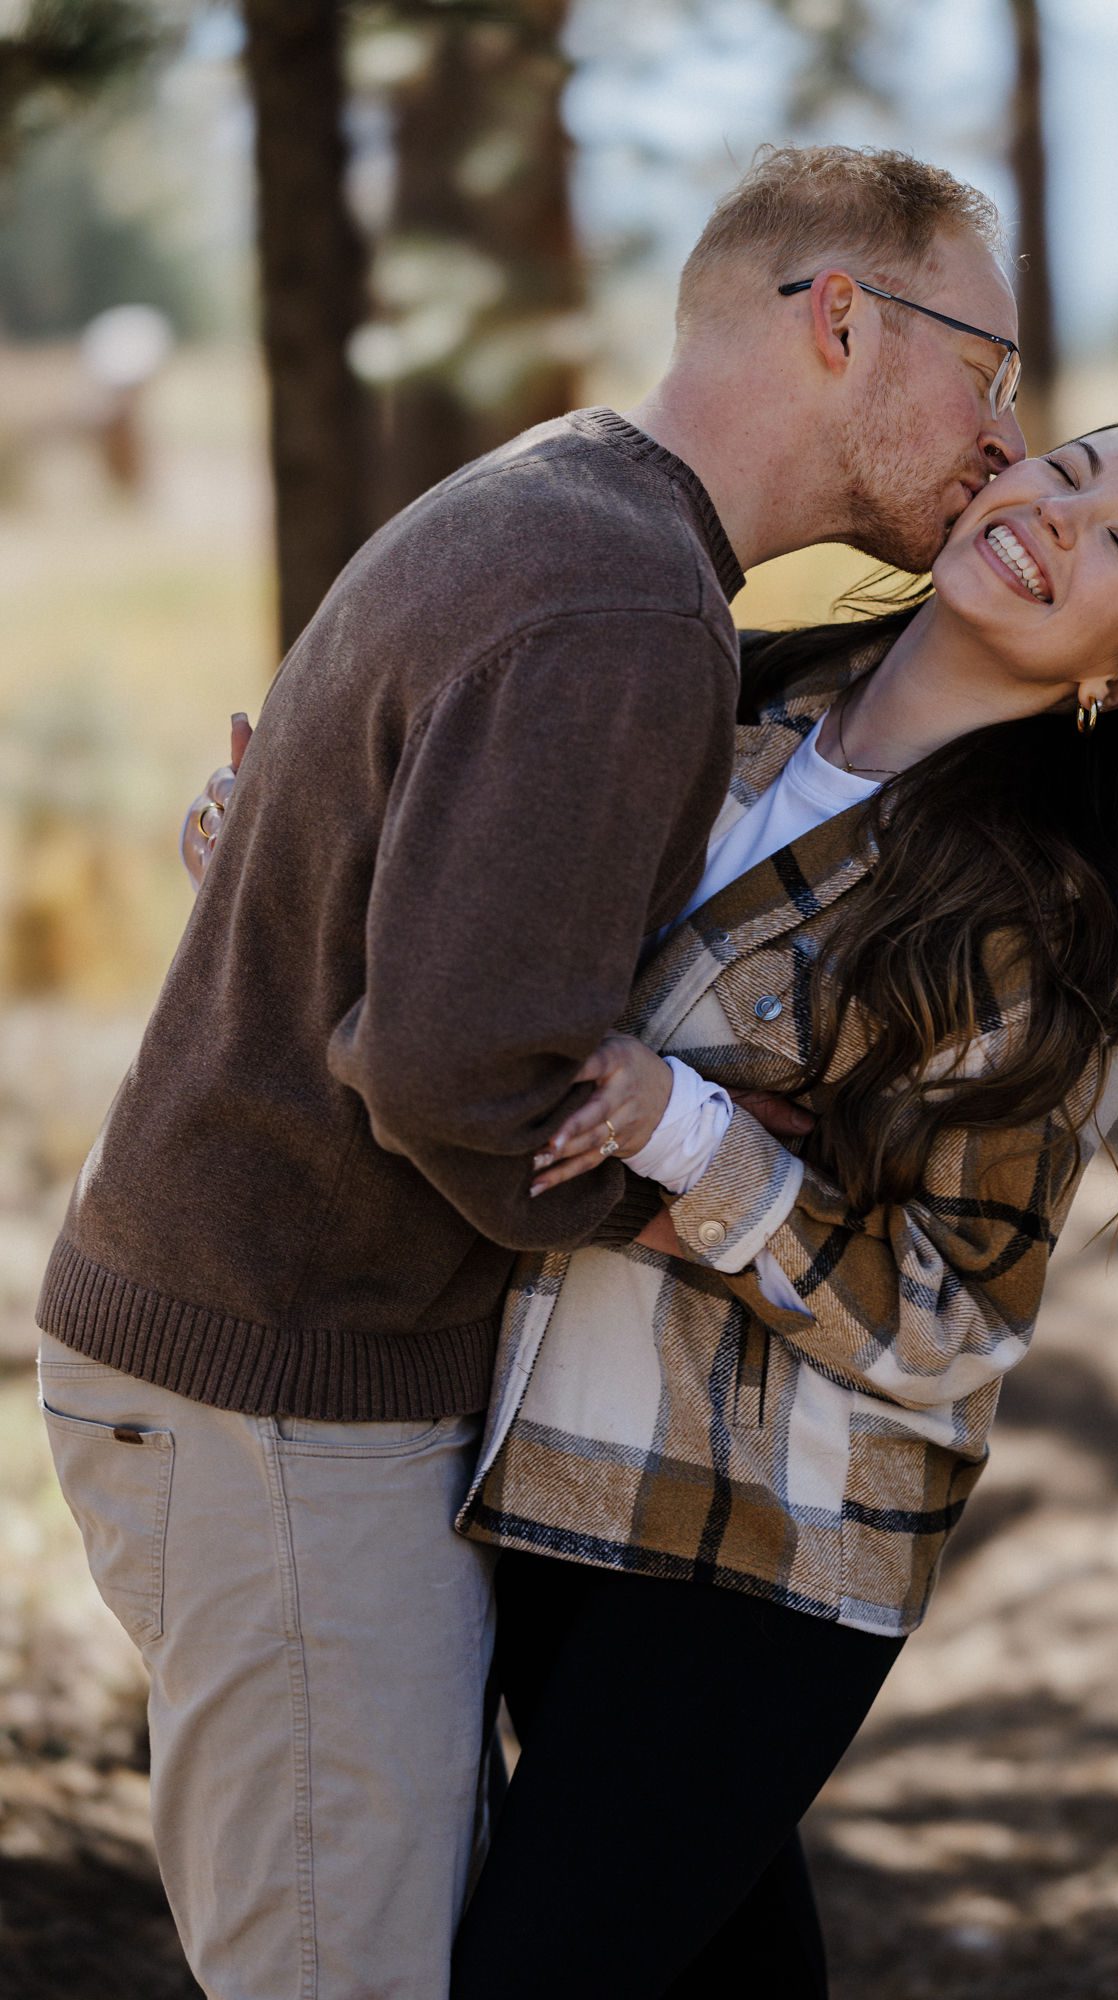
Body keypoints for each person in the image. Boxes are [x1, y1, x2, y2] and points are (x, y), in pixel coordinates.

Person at [34, 144, 1025, 1999]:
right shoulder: (626, 607)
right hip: (284, 1390)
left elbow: (395, 919)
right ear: (839, 321)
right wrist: (697, 1183)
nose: (998, 435)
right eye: (987, 366)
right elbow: (450, 1067)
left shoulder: (573, 507)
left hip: (263, 1355)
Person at [198, 419, 1118, 1998]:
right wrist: (290, 870)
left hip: (762, 1552)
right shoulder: (712, 695)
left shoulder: (1036, 927)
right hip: (529, 1462)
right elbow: (487, 1004)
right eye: (1072, 467)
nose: (1060, 513)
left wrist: (692, 1137)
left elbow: (948, 1318)